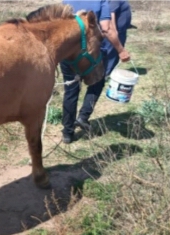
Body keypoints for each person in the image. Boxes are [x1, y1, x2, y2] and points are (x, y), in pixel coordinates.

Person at [60, 0, 131, 144]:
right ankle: (83, 117)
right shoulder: (101, 1)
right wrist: (121, 50)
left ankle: (67, 132)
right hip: (92, 53)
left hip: (68, 53)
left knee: (71, 89)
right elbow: (106, 28)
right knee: (97, 82)